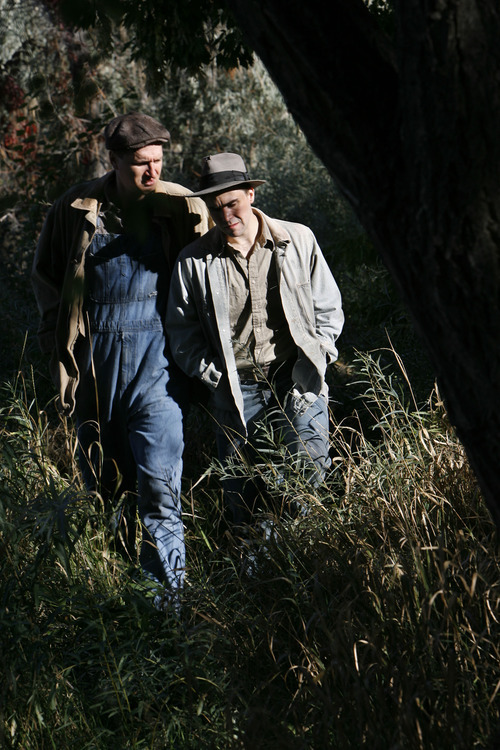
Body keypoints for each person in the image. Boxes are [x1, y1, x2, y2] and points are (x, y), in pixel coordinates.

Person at [32, 112, 211, 606]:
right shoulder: (77, 206)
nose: (152, 172)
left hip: (159, 363)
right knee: (107, 488)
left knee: (159, 486)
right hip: (94, 366)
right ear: (113, 162)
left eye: (158, 161)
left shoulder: (182, 207)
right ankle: (128, 600)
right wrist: (57, 343)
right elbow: (47, 275)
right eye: (140, 164)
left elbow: (214, 263)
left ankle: (170, 602)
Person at [166, 152, 344, 528]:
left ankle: (313, 575)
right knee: (245, 498)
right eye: (216, 209)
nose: (226, 216)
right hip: (236, 390)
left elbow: (328, 308)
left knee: (308, 489)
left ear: (250, 194)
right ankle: (260, 581)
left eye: (232, 204)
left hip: (297, 380)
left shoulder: (296, 239)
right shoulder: (194, 261)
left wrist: (319, 356)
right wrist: (213, 377)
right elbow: (182, 334)